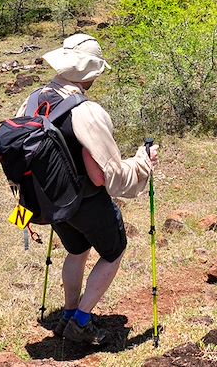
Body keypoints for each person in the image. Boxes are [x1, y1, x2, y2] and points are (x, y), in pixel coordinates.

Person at [16, 33, 158, 345]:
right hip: (85, 200)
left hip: (50, 200)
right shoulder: (86, 111)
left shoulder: (33, 99)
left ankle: (68, 313)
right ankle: (80, 321)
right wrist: (142, 162)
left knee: (77, 249)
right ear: (90, 72)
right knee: (113, 251)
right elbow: (102, 176)